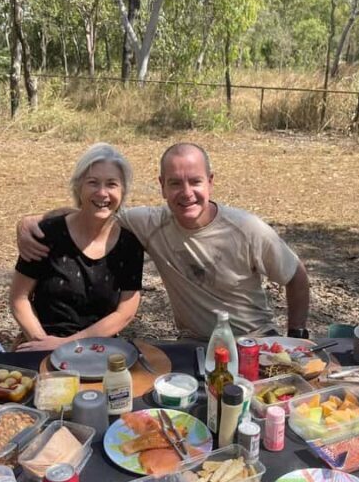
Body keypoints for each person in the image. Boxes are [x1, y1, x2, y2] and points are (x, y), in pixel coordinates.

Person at [17, 142, 310, 339]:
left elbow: (296, 276)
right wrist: (31, 222)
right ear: (161, 186)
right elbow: (94, 212)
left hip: (253, 342)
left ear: (210, 181)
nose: (186, 193)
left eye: (195, 181)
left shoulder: (246, 229)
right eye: (175, 183)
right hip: (194, 345)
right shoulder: (148, 223)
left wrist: (296, 338)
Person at [10, 143, 144, 351]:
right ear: (78, 187)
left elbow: (125, 312)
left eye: (111, 184)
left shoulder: (129, 243)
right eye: (93, 183)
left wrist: (68, 346)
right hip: (42, 343)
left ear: (123, 190)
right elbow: (19, 297)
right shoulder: (47, 234)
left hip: (100, 349)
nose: (102, 193)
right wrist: (41, 342)